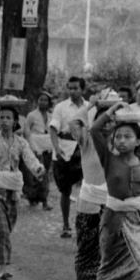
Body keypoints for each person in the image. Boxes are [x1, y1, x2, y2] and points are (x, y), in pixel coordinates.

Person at [0, 99, 45, 280]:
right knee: (2, 227)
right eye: (1, 117)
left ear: (14, 121)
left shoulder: (20, 142)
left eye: (8, 118)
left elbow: (29, 159)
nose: (4, 120)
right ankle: (3, 266)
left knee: (7, 226)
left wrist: (38, 169)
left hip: (12, 189)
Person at [90, 102, 140, 280]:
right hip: (113, 220)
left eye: (127, 136)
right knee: (108, 261)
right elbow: (94, 131)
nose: (121, 140)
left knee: (136, 262)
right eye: (118, 136)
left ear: (138, 141)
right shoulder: (109, 159)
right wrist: (111, 111)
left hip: (135, 221)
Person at [69, 98, 110, 280]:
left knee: (112, 245)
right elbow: (74, 122)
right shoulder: (87, 139)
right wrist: (91, 105)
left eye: (110, 117)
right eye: (103, 116)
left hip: (112, 200)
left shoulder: (121, 141)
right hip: (89, 199)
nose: (107, 122)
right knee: (86, 241)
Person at [50, 76, 87, 238]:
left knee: (87, 188)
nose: (72, 91)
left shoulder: (89, 108)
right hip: (64, 151)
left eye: (75, 88)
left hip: (84, 151)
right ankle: (65, 225)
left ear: (82, 90)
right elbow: (53, 129)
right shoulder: (61, 107)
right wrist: (56, 148)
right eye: (70, 88)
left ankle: (85, 224)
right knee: (65, 189)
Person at [23, 91, 54, 210]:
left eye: (45, 100)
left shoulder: (51, 116)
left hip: (47, 145)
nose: (43, 102)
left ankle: (44, 198)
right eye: (41, 99)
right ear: (37, 101)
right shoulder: (31, 115)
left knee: (45, 172)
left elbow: (53, 131)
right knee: (37, 172)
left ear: (49, 103)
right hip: (35, 145)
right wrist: (31, 147)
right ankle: (33, 198)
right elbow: (27, 132)